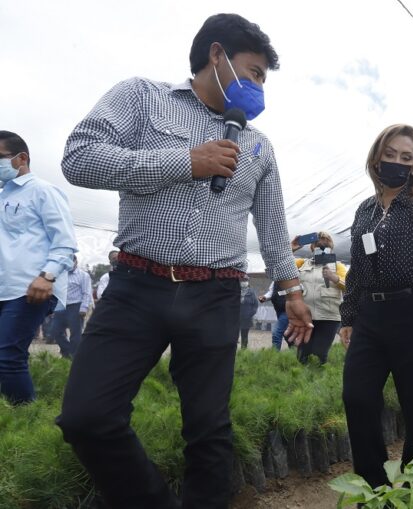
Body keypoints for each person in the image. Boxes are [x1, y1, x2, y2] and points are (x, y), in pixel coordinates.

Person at [56, 14, 313, 509]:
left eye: (263, 79)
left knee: (209, 432)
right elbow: (78, 157)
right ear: (217, 56)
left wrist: (293, 291)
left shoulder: (258, 145)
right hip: (136, 285)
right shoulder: (142, 99)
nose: (259, 86)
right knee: (87, 417)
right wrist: (183, 162)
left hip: (216, 293)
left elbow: (273, 226)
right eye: (254, 71)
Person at [339, 124, 413, 489]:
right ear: (377, 158)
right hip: (371, 318)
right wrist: (349, 317)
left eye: (406, 157)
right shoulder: (365, 210)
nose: (397, 162)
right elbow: (357, 268)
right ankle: (374, 484)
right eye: (390, 154)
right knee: (357, 397)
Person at [0, 131, 78, 404]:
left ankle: (26, 419)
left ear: (21, 158)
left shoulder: (43, 191)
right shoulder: (2, 196)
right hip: (3, 286)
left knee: (8, 355)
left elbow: (65, 242)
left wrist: (47, 276)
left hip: (31, 287)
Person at [290, 231, 347, 364]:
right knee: (302, 354)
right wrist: (290, 250)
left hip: (328, 317)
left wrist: (334, 278)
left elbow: (349, 287)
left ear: (330, 247)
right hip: (305, 316)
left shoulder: (338, 266)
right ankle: (301, 381)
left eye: (324, 246)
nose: (320, 248)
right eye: (317, 245)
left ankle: (320, 381)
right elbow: (283, 267)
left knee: (319, 354)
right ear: (312, 248)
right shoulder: (301, 264)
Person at [50, 255, 93, 359]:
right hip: (60, 307)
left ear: (76, 261)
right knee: (55, 331)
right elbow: (55, 292)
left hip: (76, 306)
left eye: (71, 261)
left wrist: (84, 308)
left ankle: (73, 357)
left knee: (75, 334)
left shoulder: (83, 275)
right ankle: (68, 351)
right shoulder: (60, 275)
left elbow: (87, 292)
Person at [259, 281, 291, 350]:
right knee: (288, 334)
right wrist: (265, 297)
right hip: (279, 310)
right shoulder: (275, 280)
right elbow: (271, 291)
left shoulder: (291, 276)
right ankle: (296, 354)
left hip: (288, 310)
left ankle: (274, 356)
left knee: (277, 333)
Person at [239, 277, 259, 349]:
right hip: (236, 318)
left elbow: (256, 305)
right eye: (242, 280)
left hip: (246, 318)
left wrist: (251, 313)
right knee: (233, 335)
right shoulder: (236, 291)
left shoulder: (251, 292)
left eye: (245, 280)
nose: (244, 282)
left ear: (248, 281)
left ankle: (243, 350)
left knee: (244, 336)